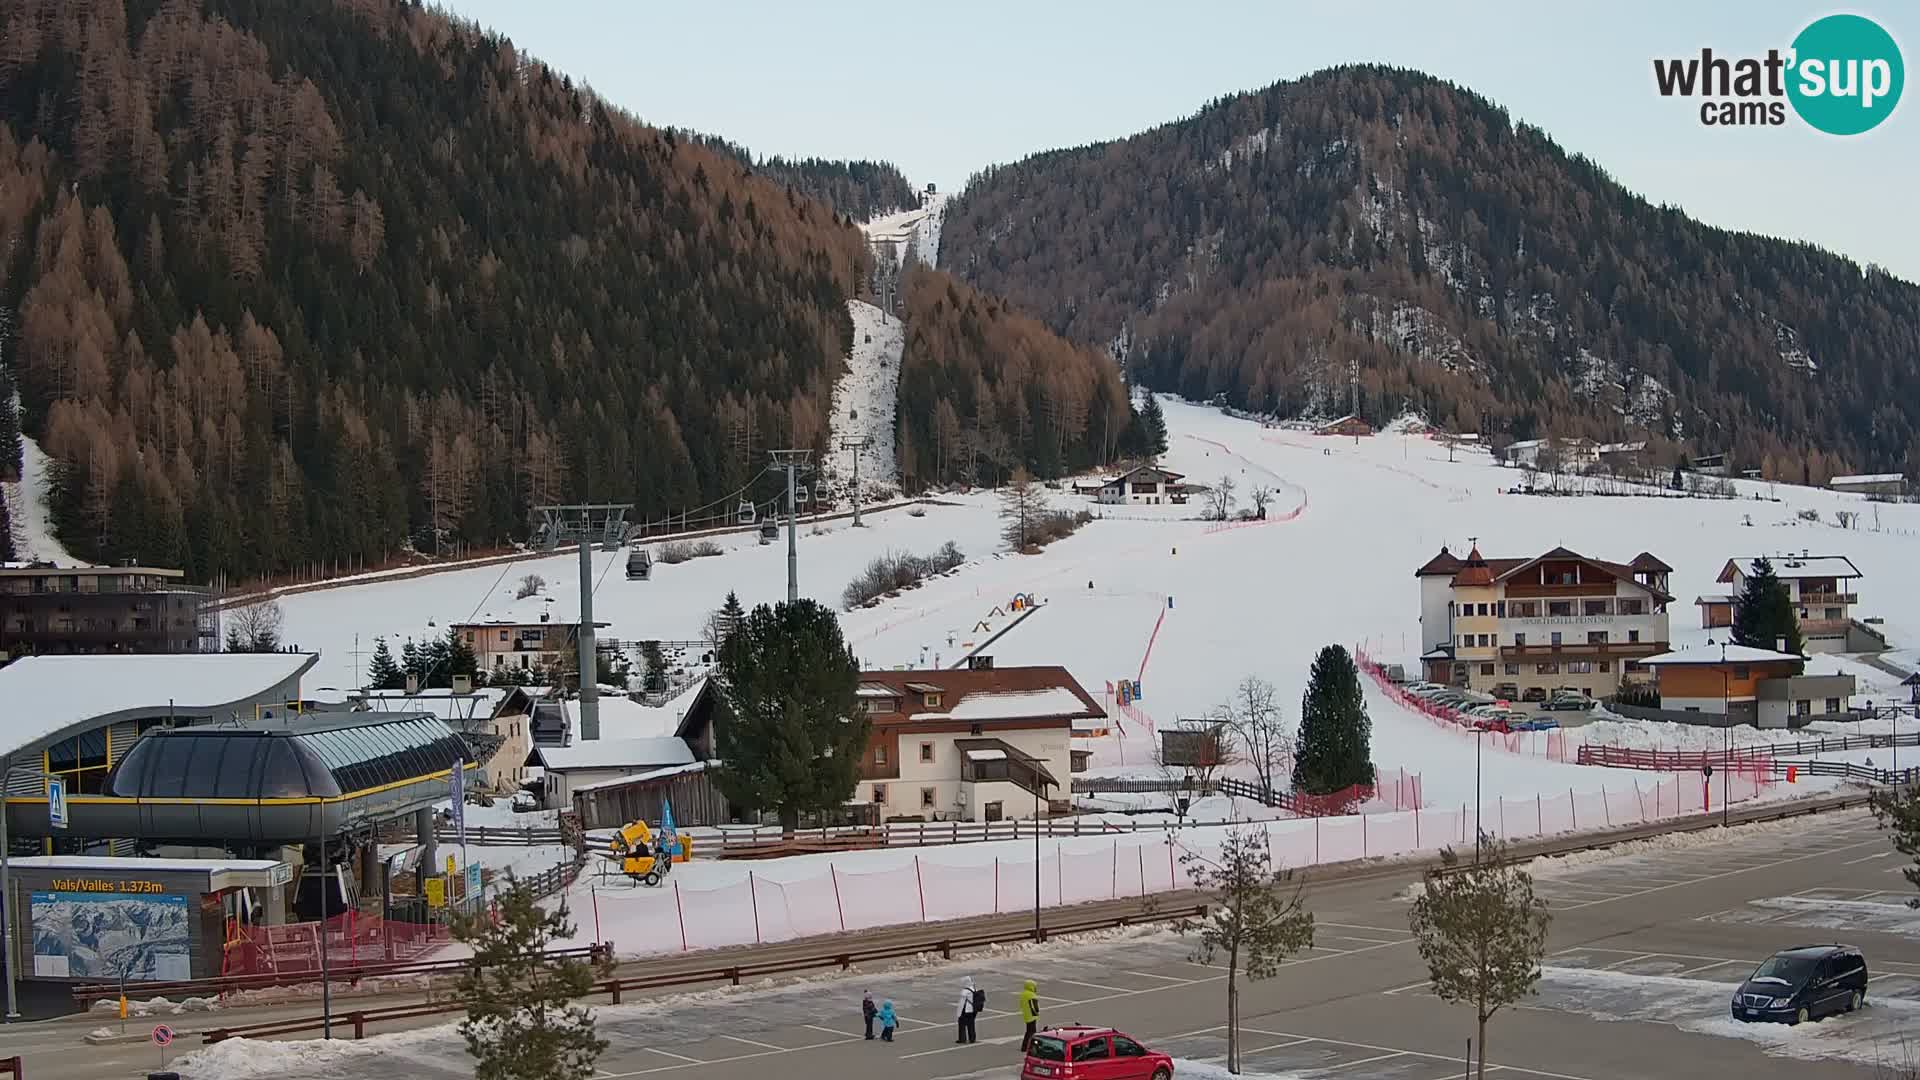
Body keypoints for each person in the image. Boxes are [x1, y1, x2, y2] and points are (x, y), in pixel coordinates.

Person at [1018, 978, 1039, 1051]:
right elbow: (1034, 1006)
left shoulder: (1023, 994)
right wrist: (1036, 1013)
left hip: (1026, 1015)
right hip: (1031, 1016)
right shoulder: (1031, 995)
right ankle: (1029, 1047)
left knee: (1029, 1031)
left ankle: (1025, 1046)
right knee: (1032, 1031)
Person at [955, 976, 978, 1044]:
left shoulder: (964, 991)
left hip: (966, 1010)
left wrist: (958, 1013)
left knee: (962, 1024)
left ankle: (962, 1039)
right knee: (971, 1024)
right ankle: (972, 1038)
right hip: (974, 1010)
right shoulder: (974, 989)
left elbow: (961, 1004)